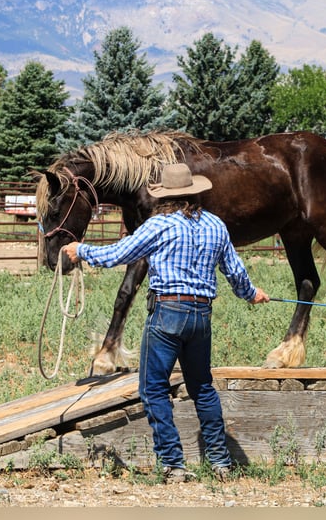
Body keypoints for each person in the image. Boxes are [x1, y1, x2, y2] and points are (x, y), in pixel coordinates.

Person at [62, 163, 269, 483]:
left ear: (164, 196)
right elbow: (236, 273)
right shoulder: (216, 225)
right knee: (202, 387)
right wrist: (252, 294)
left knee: (154, 389)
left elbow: (119, 253)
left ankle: (173, 464)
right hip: (201, 315)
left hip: (167, 314)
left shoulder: (158, 225)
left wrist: (81, 250)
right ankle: (220, 462)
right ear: (194, 192)